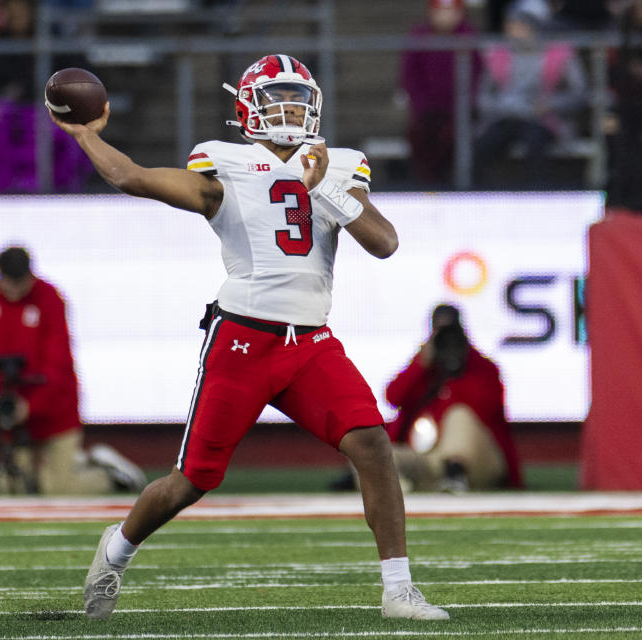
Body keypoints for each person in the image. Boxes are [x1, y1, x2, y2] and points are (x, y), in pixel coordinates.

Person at [50, 53, 449, 622]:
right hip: (241, 338)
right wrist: (87, 136)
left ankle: (398, 589)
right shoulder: (227, 164)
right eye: (275, 99)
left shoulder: (337, 166)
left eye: (296, 99)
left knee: (374, 445)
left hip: (309, 342)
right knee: (191, 481)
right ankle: (114, 552)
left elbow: (384, 242)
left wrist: (322, 188)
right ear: (248, 109)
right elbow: (130, 177)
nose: (288, 110)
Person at [0, 246, 145, 495]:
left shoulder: (49, 298)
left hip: (55, 412)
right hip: (13, 412)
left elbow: (58, 366)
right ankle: (76, 465)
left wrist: (32, 406)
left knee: (57, 488)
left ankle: (109, 474)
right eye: (10, 284)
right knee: (13, 487)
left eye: (21, 283)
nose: (15, 292)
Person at [385, 304, 522, 492]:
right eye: (441, 335)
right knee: (378, 454)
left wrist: (459, 368)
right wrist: (421, 364)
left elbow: (487, 409)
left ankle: (455, 472)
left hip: (476, 459)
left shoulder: (483, 369)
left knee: (459, 416)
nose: (448, 343)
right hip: (430, 458)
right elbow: (393, 397)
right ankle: (396, 484)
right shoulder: (425, 369)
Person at [473, 3, 589, 188]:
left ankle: (539, 195)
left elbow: (579, 94)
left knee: (535, 143)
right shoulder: (497, 55)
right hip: (506, 117)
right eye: (510, 24)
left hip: (542, 120)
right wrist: (504, 106)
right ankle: (482, 194)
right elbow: (482, 98)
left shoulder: (559, 54)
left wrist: (549, 104)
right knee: (485, 144)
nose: (512, 30)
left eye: (519, 25)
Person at [399, 0, 482, 186]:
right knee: (420, 136)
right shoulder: (419, 36)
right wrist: (423, 106)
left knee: (453, 137)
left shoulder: (468, 36)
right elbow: (410, 76)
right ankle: (427, 187)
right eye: (441, 12)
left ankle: (456, 187)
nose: (446, 17)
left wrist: (462, 107)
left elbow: (477, 77)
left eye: (451, 11)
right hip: (426, 111)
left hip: (459, 111)